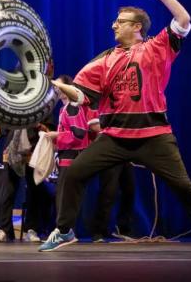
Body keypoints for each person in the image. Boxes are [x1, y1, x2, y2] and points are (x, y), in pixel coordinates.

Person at [39, 0, 191, 252]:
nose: (114, 26)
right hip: (114, 137)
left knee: (182, 185)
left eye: (120, 22)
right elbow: (82, 96)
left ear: (137, 27)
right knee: (75, 173)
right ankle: (65, 230)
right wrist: (56, 83)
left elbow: (183, 19)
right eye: (115, 22)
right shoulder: (103, 60)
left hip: (154, 135)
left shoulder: (158, 47)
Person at [45, 75, 136, 242]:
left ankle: (123, 228)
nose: (57, 90)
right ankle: (95, 232)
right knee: (106, 191)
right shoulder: (82, 105)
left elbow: (79, 134)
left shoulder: (119, 103)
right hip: (103, 150)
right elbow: (86, 130)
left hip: (121, 148)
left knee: (129, 190)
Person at [0, 120, 55, 243]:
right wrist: (12, 124)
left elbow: (49, 129)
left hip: (33, 150)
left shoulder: (39, 105)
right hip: (11, 151)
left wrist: (38, 125)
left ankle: (31, 229)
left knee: (34, 191)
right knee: (8, 191)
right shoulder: (11, 105)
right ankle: (4, 229)